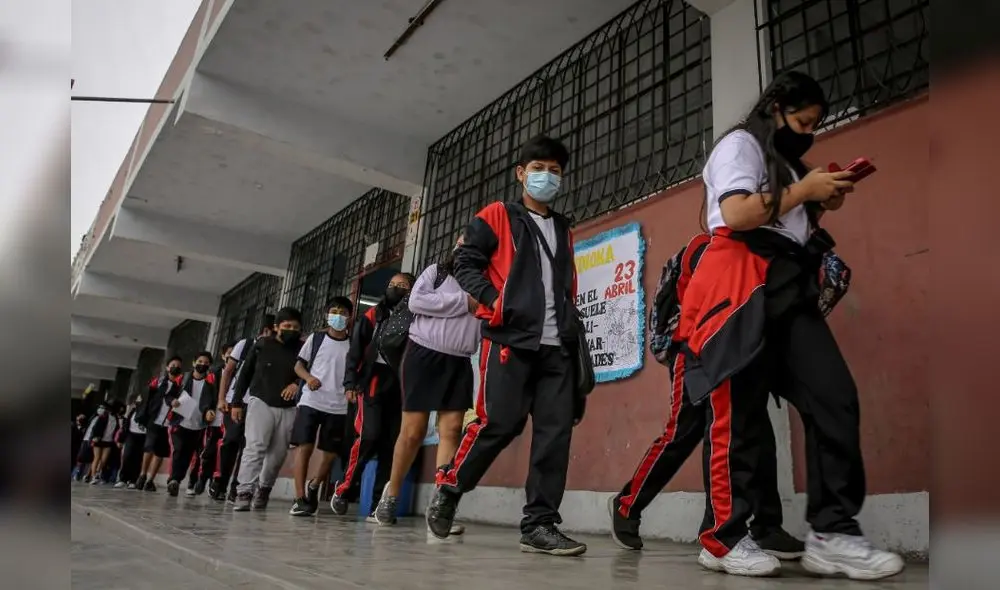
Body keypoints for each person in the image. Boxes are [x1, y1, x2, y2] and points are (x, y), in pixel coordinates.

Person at [647, 71, 903, 579]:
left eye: (814, 127)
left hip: (789, 286)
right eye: (803, 121)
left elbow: (787, 228)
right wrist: (802, 189)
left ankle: (832, 530)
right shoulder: (739, 146)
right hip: (741, 283)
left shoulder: (788, 164)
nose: (808, 133)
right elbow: (738, 213)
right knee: (738, 417)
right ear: (776, 107)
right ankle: (722, 538)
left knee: (834, 397)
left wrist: (819, 199)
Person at [425, 135, 585, 556]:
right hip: (510, 340)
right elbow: (465, 262)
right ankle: (450, 489)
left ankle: (540, 524)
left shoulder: (564, 228)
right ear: (520, 173)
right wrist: (495, 303)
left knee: (554, 436)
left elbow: (564, 286)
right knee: (499, 423)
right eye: (538, 169)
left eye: (554, 170)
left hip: (557, 348)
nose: (546, 177)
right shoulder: (497, 215)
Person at [374, 235, 477, 532]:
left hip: (458, 360)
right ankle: (391, 495)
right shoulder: (436, 272)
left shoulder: (486, 282)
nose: (467, 252)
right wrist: (463, 302)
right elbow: (418, 301)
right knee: (413, 431)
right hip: (422, 356)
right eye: (463, 246)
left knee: (452, 430)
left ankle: (439, 506)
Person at [329, 273, 414, 521]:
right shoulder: (372, 315)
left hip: (401, 384)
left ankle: (379, 505)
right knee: (370, 435)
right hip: (374, 380)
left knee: (392, 445)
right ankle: (344, 489)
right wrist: (350, 383)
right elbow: (355, 350)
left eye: (403, 286)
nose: (396, 289)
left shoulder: (415, 317)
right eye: (393, 285)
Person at [229, 308, 303, 512]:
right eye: (287, 326)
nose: (291, 330)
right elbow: (244, 374)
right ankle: (244, 491)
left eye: (295, 327)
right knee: (255, 446)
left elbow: (312, 371)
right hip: (260, 400)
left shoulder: (303, 349)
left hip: (288, 407)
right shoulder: (261, 345)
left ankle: (264, 489)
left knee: (278, 454)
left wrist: (297, 383)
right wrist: (236, 403)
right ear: (276, 327)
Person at [288, 297, 354, 516]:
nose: (337, 315)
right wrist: (308, 378)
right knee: (304, 447)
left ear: (349, 316)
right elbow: (299, 365)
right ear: (327, 315)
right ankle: (299, 498)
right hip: (311, 400)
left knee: (330, 453)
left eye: (342, 312)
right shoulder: (316, 339)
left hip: (338, 405)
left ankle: (314, 485)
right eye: (333, 311)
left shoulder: (353, 344)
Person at [211, 320, 274, 502]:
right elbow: (228, 371)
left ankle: (237, 488)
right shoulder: (245, 345)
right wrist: (222, 398)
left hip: (259, 404)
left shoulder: (275, 351)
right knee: (230, 441)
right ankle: (220, 482)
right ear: (266, 330)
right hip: (235, 401)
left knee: (249, 447)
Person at [166, 352, 217, 497]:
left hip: (198, 425)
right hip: (180, 422)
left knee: (190, 455)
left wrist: (210, 412)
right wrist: (172, 402)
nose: (203, 364)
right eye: (200, 361)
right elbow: (169, 395)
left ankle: (184, 481)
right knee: (178, 451)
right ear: (194, 363)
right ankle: (174, 480)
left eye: (206, 362)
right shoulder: (183, 378)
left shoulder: (211, 382)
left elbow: (212, 402)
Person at [134, 356, 184, 493]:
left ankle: (150, 480)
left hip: (168, 423)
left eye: (178, 366)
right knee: (149, 448)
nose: (175, 367)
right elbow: (147, 397)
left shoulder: (181, 387)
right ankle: (142, 475)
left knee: (160, 452)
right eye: (173, 365)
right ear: (167, 367)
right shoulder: (159, 382)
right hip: (154, 419)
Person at [193, 342, 233, 496]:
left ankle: (218, 484)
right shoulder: (213, 374)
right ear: (223, 356)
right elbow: (206, 395)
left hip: (230, 420)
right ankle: (202, 478)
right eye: (229, 352)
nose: (231, 355)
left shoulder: (241, 373)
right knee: (208, 452)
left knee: (225, 454)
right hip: (215, 419)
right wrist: (207, 410)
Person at [114, 403, 147, 489]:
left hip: (143, 436)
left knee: (138, 458)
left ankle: (133, 480)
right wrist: (121, 439)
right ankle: (122, 479)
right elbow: (125, 425)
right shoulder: (132, 411)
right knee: (127, 456)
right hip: (131, 434)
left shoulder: (148, 410)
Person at [85, 403, 118, 485]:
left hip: (109, 441)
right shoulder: (103, 416)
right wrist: (94, 437)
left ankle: (97, 474)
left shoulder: (115, 418)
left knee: (104, 460)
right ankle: (93, 476)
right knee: (97, 457)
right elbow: (96, 427)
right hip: (99, 440)